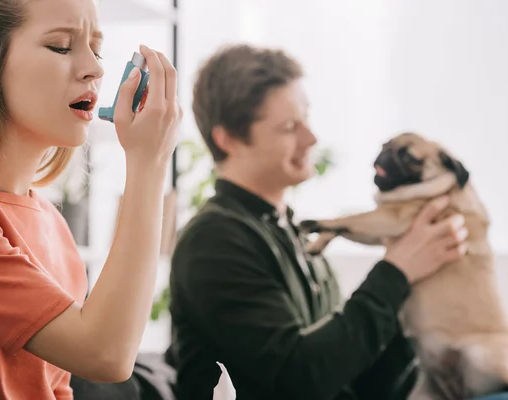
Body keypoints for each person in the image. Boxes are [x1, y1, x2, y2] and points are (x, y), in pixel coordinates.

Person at [165, 44, 468, 400]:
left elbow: (355, 384)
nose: (311, 138)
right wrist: (396, 272)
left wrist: (413, 301)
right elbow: (299, 380)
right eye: (290, 126)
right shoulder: (214, 241)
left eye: (306, 118)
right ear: (228, 138)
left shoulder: (292, 232)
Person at [0, 0, 181, 398]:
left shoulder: (50, 222)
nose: (96, 68)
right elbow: (106, 355)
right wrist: (148, 163)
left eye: (97, 48)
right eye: (61, 46)